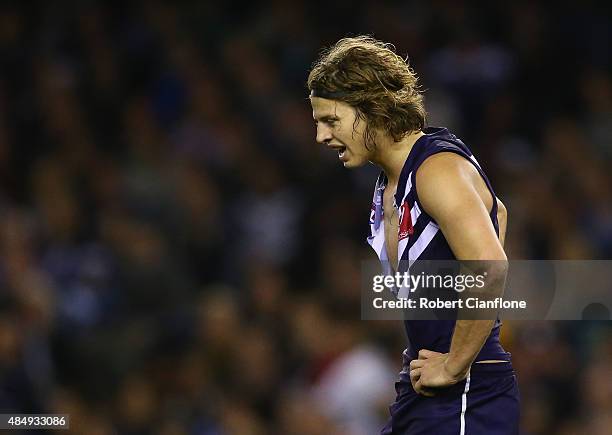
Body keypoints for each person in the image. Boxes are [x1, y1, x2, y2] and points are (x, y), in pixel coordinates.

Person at [307, 36, 520, 434]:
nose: (320, 136)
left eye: (331, 120)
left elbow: (490, 265)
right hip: (424, 388)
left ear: (372, 108)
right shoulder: (391, 180)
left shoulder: (434, 168)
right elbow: (498, 213)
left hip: (466, 393)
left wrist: (455, 361)